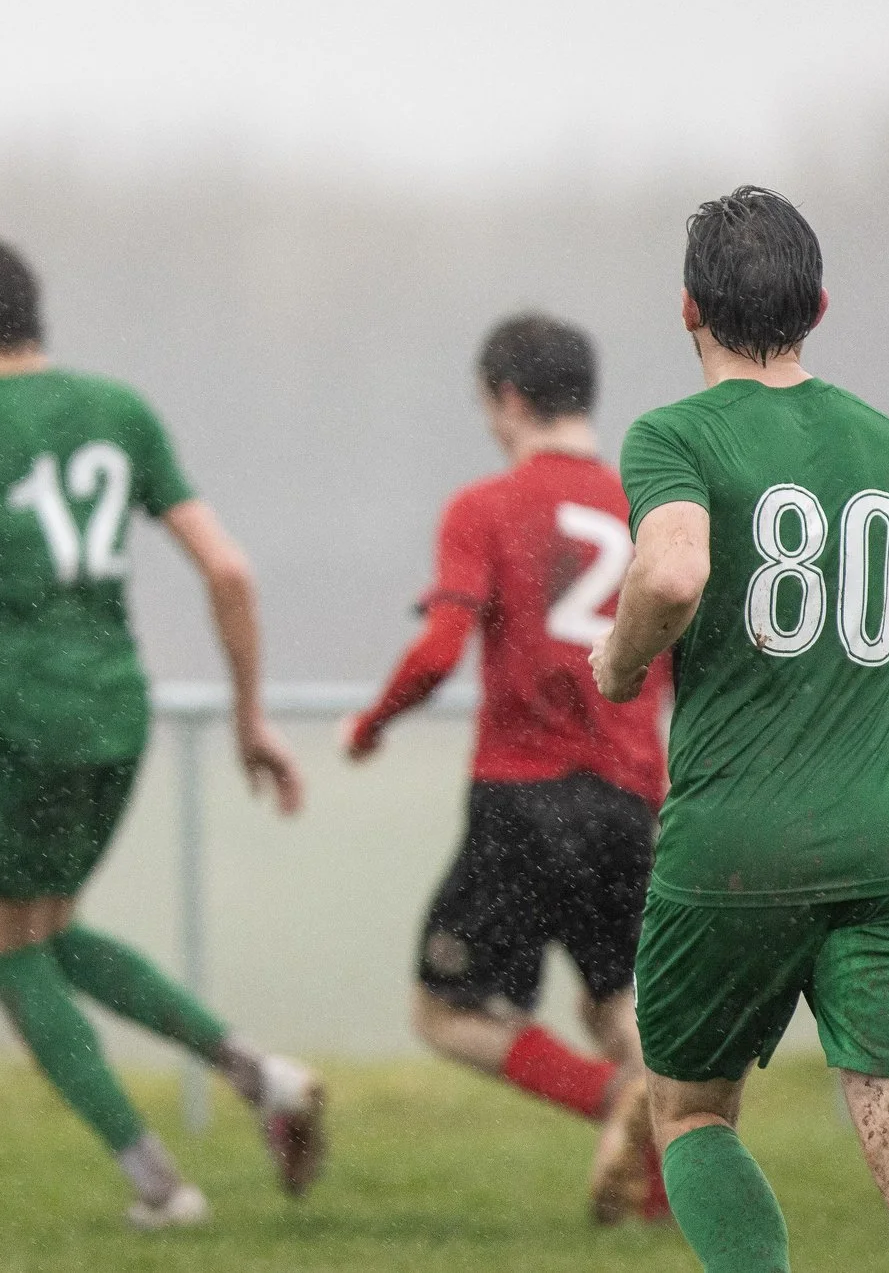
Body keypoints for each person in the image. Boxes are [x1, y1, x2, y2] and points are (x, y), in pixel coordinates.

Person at [0, 234, 325, 1230]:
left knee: (1, 950)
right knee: (51, 933)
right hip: (117, 711)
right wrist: (249, 715)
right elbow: (229, 570)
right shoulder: (119, 412)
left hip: (18, 718)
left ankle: (160, 1182)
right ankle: (260, 1072)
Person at [591, 187, 889, 1273]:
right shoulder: (884, 440)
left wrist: (623, 659)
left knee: (689, 1113)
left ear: (688, 309)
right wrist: (845, 638)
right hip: (885, 844)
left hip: (735, 842)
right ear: (818, 303)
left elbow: (671, 571)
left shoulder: (673, 434)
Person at [343, 312, 672, 1224]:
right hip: (627, 799)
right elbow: (676, 663)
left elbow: (440, 649)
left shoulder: (483, 509)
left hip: (522, 799)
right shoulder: (648, 514)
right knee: (614, 1005)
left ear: (510, 398)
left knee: (443, 1008)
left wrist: (371, 725)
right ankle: (665, 1189)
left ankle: (610, 1102)